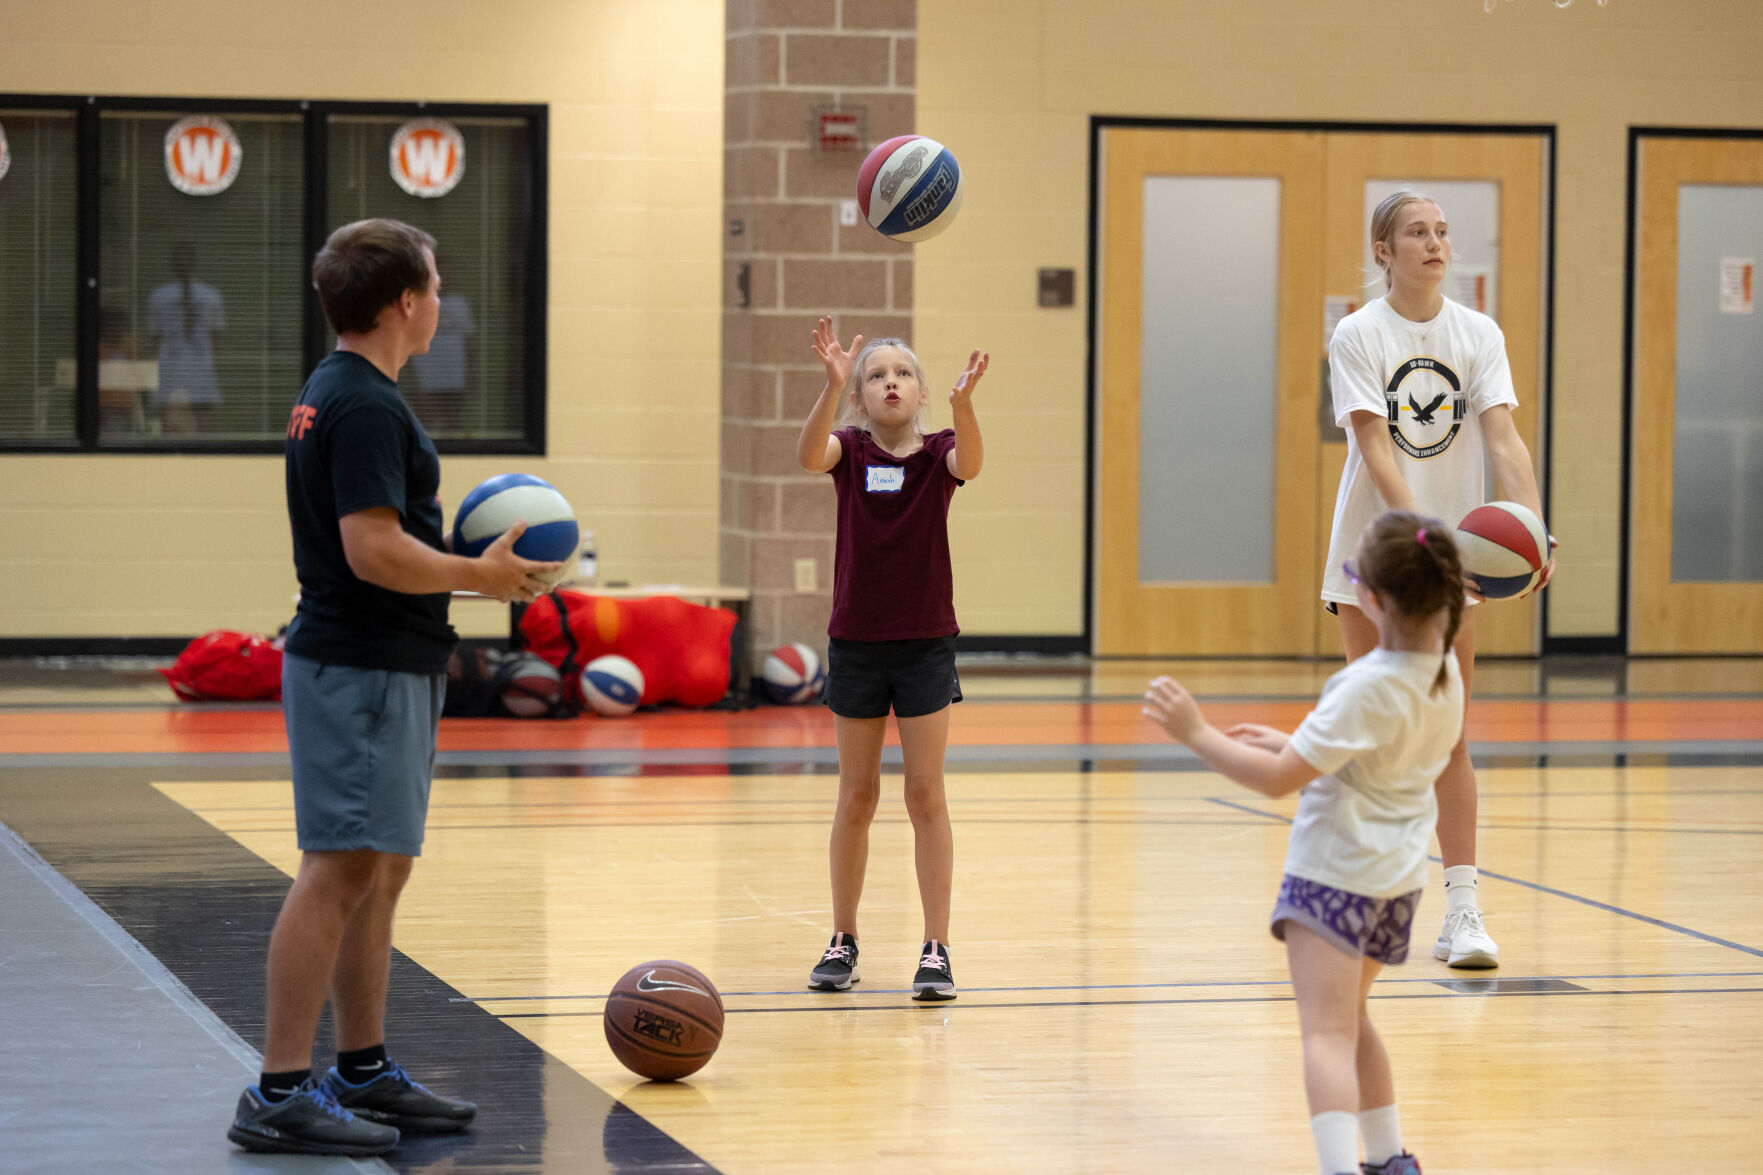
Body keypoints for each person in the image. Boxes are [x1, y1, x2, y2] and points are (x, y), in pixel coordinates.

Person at [227, 218, 561, 1156]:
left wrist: (462, 567)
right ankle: (279, 1090)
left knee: (379, 867)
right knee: (338, 867)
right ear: (404, 302)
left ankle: (361, 1065)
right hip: (359, 664)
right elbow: (369, 550)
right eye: (437, 285)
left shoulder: (340, 391)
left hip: (383, 661)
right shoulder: (365, 404)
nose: (443, 300)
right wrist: (479, 575)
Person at [1146, 510, 1465, 1175]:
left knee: (1324, 1034)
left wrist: (1195, 732)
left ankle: (1338, 1167)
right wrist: (1295, 743)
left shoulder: (1365, 683)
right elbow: (1367, 753)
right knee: (1351, 1019)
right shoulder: (1444, 673)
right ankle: (1388, 1159)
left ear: (1372, 599)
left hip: (1335, 875)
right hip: (1397, 882)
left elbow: (1274, 781)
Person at [1321, 189, 1556, 969]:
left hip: (1456, 562)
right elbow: (1375, 446)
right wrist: (1421, 538)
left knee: (1449, 730)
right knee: (1376, 729)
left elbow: (1503, 436)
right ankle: (1357, 900)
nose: (1434, 242)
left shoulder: (1476, 333)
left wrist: (1530, 521)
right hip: (1377, 552)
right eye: (1415, 232)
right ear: (1382, 251)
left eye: (1442, 231)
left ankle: (1463, 912)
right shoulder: (1356, 333)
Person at [795, 317, 988, 1002]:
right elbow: (806, 452)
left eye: (902, 372)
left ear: (922, 392)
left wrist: (964, 410)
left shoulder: (939, 451)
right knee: (858, 794)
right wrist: (828, 384)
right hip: (857, 642)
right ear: (860, 397)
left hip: (925, 642)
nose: (889, 382)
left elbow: (972, 461)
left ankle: (935, 947)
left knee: (925, 793)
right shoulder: (847, 449)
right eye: (875, 375)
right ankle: (842, 938)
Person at [146, 242, 225, 436]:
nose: (184, 262)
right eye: (179, 257)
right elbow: (154, 337)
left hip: (201, 369)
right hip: (170, 368)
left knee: (204, 421)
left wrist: (208, 362)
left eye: (188, 257)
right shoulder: (159, 297)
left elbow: (217, 337)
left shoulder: (211, 296)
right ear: (173, 262)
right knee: (171, 423)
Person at [406, 251, 476, 436]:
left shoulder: (460, 304)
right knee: (424, 422)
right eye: (442, 273)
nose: (447, 277)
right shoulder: (419, 303)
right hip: (427, 375)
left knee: (452, 422)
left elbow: (468, 343)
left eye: (451, 272)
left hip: (454, 374)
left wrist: (471, 373)